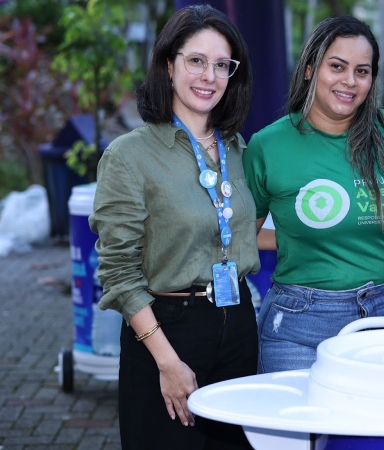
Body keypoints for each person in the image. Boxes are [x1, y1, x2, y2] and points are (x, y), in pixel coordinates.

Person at [89, 5, 258, 449]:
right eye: (196, 61)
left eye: (222, 65)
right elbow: (119, 272)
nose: (209, 76)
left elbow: (240, 231)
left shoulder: (241, 151)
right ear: (168, 64)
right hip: (167, 329)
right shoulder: (130, 156)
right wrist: (167, 361)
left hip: (239, 323)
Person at [243, 15, 384, 373]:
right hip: (300, 324)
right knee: (300, 428)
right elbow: (240, 240)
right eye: (337, 66)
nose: (350, 81)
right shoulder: (267, 145)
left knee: (380, 429)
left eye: (362, 71)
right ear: (311, 69)